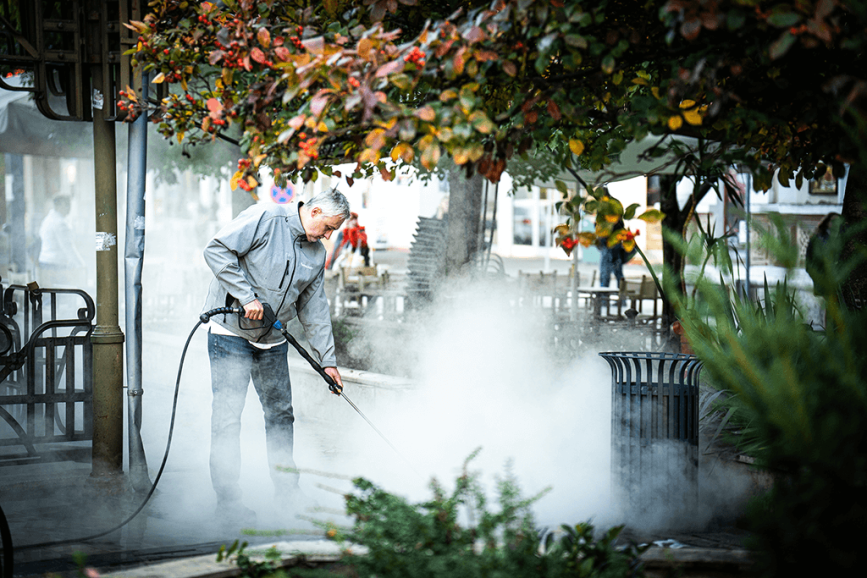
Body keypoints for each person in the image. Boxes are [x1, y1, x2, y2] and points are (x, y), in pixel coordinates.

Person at [201, 188, 350, 525]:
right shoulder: (265, 217)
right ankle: (228, 503)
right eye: (328, 227)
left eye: (333, 232)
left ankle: (288, 493)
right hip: (230, 334)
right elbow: (217, 250)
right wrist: (246, 296)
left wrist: (328, 361)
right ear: (313, 212)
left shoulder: (315, 253)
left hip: (272, 340)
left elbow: (314, 308)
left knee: (281, 416)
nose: (329, 236)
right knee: (227, 419)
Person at [38, 195, 85, 288]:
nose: (69, 208)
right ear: (59, 206)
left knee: (49, 294)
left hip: (44, 262)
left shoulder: (47, 219)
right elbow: (68, 248)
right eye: (66, 204)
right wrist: (81, 265)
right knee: (62, 295)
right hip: (56, 265)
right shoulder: (60, 223)